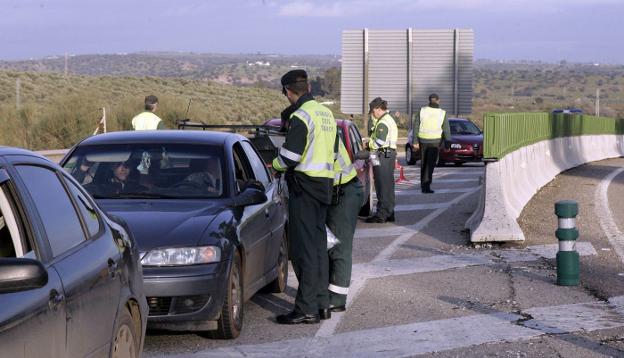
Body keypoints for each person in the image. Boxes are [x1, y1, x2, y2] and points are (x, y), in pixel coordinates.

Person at [272, 69, 336, 324]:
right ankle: (322, 304)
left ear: (288, 91)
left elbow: (289, 157)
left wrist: (273, 165)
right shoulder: (326, 113)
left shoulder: (301, 116)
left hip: (305, 188)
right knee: (319, 248)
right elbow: (330, 151)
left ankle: (306, 308)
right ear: (308, 87)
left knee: (303, 251)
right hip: (324, 187)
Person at [326, 136, 363, 313]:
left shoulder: (322, 134)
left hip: (343, 192)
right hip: (338, 191)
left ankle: (337, 299)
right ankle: (330, 294)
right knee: (331, 245)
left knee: (339, 247)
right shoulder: (325, 128)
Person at [365, 97, 398, 223]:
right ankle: (389, 212)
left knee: (381, 184)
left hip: (382, 155)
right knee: (388, 184)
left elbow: (379, 142)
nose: (373, 114)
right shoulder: (389, 119)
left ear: (378, 109)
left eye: (373, 111)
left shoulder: (383, 122)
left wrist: (369, 145)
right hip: (388, 154)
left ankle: (381, 215)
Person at [411, 93, 452, 193]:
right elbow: (446, 130)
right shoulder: (442, 113)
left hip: (423, 141)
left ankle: (423, 186)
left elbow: (416, 126)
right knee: (430, 165)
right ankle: (426, 185)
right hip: (435, 142)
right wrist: (447, 145)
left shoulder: (422, 111)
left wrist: (415, 141)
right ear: (438, 101)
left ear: (429, 101)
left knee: (424, 164)